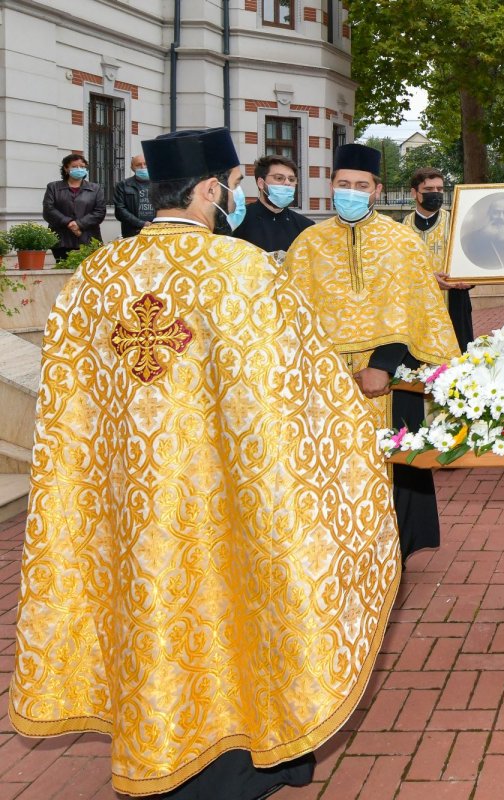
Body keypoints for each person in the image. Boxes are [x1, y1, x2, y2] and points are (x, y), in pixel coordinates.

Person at [8, 127, 402, 799]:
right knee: (239, 608)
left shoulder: (95, 277)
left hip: (130, 506)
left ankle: (156, 743)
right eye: (235, 184)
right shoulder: (242, 270)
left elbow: (68, 406)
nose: (239, 194)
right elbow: (300, 392)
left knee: (153, 614)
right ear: (211, 189)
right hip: (225, 502)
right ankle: (244, 754)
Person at [285, 143, 461, 559]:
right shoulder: (307, 244)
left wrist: (381, 365)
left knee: (393, 463)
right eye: (343, 184)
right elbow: (291, 316)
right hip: (327, 381)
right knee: (331, 467)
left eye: (360, 185)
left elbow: (412, 309)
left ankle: (394, 552)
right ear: (331, 186)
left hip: (389, 374)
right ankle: (340, 551)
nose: (350, 191)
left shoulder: (400, 242)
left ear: (377, 190)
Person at [403, 166, 475, 350]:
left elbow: (472, 259)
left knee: (458, 356)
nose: (435, 194)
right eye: (428, 190)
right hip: (415, 304)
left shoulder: (458, 222)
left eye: (439, 189)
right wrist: (427, 278)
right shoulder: (402, 227)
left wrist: (469, 279)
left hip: (455, 301)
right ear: (414, 193)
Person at [232, 154, 315, 254]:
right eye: (279, 178)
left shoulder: (305, 226)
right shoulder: (238, 221)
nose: (287, 183)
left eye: (292, 179)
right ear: (261, 183)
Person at [42, 153, 105, 261]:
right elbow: (48, 209)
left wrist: (79, 224)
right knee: (63, 270)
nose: (79, 169)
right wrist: (69, 222)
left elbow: (99, 212)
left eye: (82, 167)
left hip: (88, 237)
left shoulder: (95, 188)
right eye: (74, 167)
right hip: (62, 239)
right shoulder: (53, 187)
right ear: (66, 169)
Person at [112, 153, 155, 237]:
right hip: (132, 232)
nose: (143, 167)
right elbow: (120, 210)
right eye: (138, 165)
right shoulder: (123, 185)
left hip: (156, 230)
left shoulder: (159, 184)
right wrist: (142, 223)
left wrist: (156, 224)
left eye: (146, 164)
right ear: (132, 168)